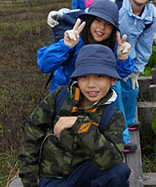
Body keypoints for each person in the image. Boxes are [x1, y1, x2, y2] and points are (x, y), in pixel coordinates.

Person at [18, 44, 131, 186]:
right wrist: (30, 180)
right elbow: (32, 133)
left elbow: (112, 159)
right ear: (77, 78)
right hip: (52, 178)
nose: (91, 85)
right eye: (84, 77)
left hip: (83, 174)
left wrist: (81, 125)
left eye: (99, 76)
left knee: (119, 171)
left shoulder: (112, 115)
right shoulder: (59, 97)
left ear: (113, 79)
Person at [37, 0, 133, 93]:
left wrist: (122, 59)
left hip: (95, 98)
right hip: (65, 96)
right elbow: (45, 65)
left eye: (108, 25)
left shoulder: (112, 46)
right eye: (97, 20)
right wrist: (65, 46)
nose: (102, 28)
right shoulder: (74, 40)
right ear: (89, 21)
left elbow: (121, 73)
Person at [110, 0, 156, 132]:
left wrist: (137, 70)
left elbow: (145, 45)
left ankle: (129, 120)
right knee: (114, 89)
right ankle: (119, 130)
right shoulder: (114, 6)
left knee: (131, 88)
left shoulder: (151, 16)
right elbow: (89, 15)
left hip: (127, 56)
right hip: (107, 53)